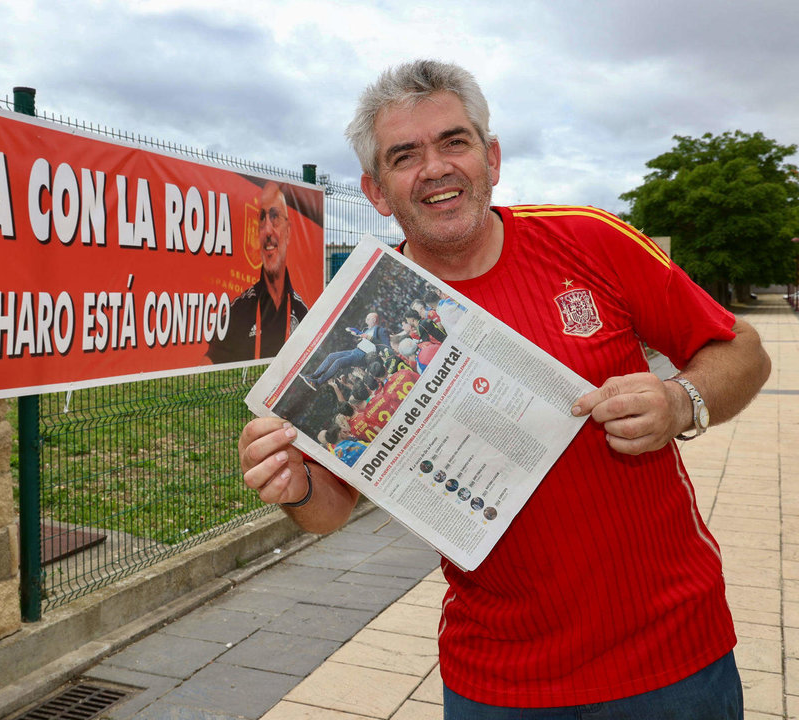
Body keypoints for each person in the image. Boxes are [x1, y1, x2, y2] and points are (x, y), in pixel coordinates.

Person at [237, 60, 771, 718]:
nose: (435, 168)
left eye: (454, 142)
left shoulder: (588, 239)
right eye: (405, 155)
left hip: (674, 658)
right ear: (376, 191)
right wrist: (293, 488)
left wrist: (680, 402)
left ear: (490, 157)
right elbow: (330, 510)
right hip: (499, 683)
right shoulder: (365, 313)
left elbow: (742, 349)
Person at [206, 181, 309, 363]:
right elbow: (207, 369)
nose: (267, 229)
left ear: (289, 232)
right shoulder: (237, 313)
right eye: (262, 219)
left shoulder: (302, 313)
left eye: (275, 217)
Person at [302, 312, 391, 388]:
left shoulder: (380, 331)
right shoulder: (367, 329)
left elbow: (385, 346)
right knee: (331, 356)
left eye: (368, 319)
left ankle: (317, 383)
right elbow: (365, 339)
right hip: (356, 350)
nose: (366, 321)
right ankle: (313, 376)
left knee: (338, 362)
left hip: (363, 355)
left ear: (374, 320)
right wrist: (358, 333)